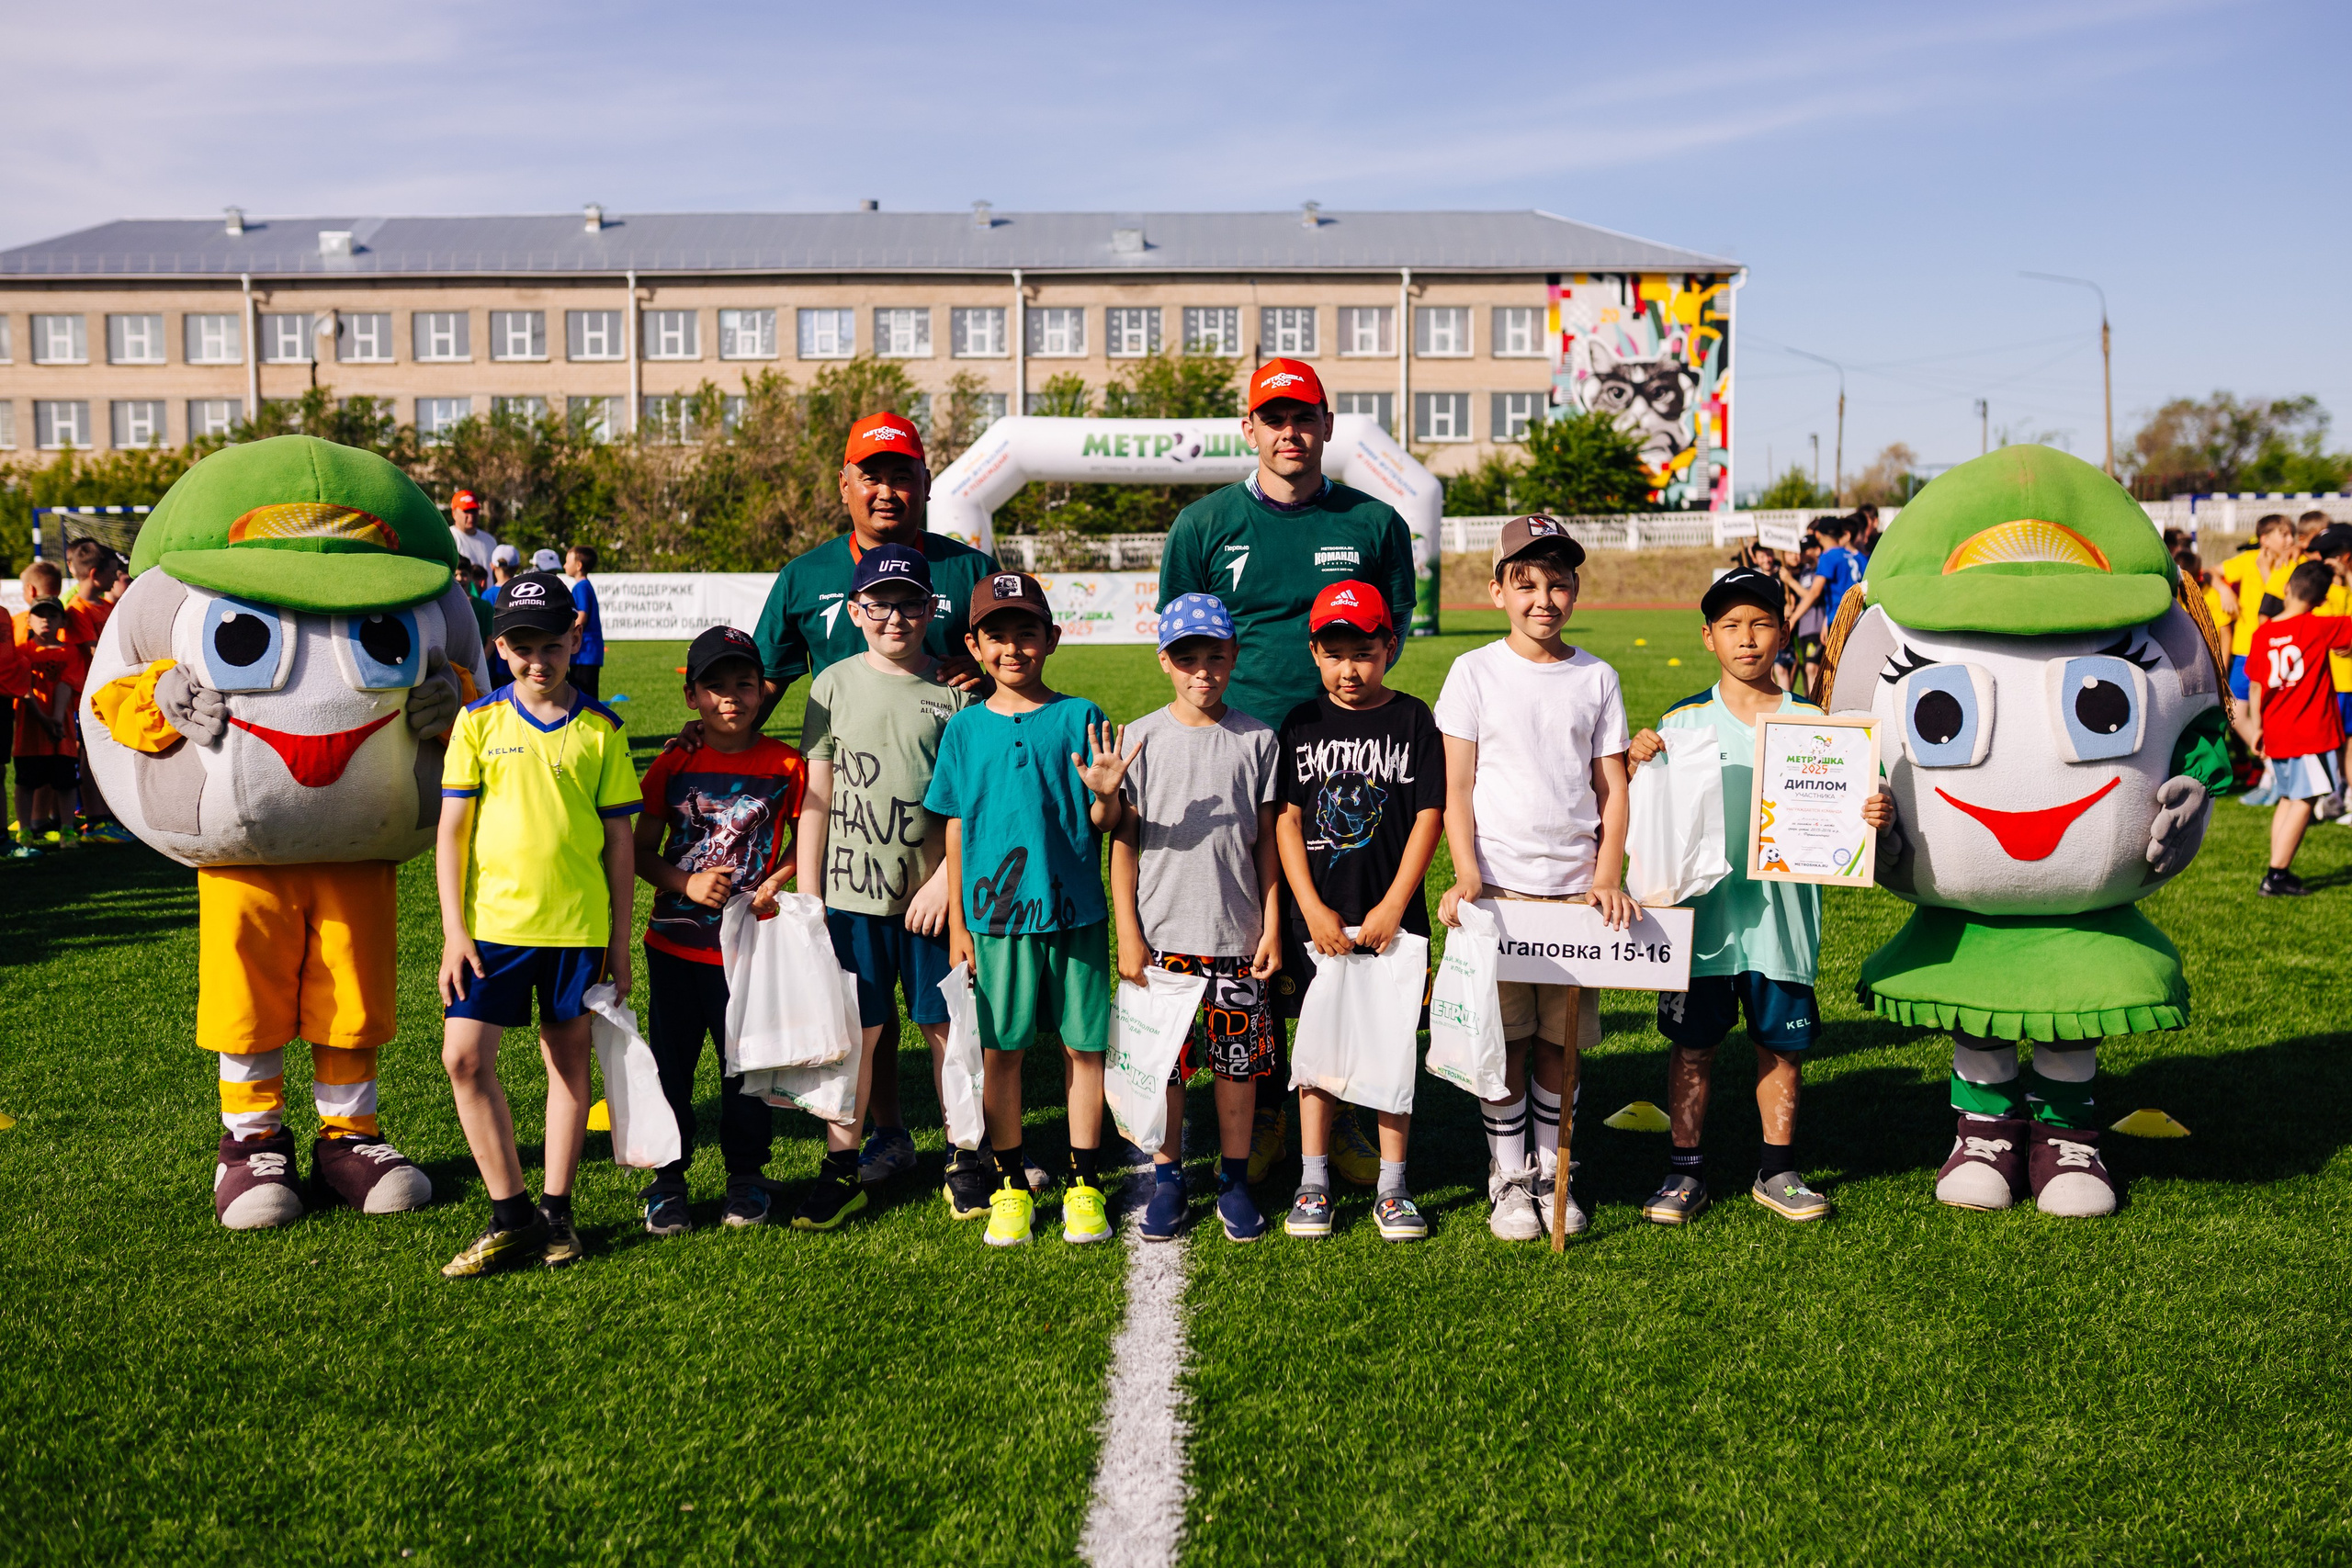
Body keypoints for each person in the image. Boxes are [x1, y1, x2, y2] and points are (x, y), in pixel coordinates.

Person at [1157, 358, 1418, 1183]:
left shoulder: (1376, 524)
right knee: (1253, 941)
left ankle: (1331, 1111)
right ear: (1250, 429)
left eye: (1303, 416)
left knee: (1333, 942)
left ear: (1328, 424)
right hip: (1231, 760)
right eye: (1273, 418)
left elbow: (1394, 629)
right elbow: (1179, 636)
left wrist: (1347, 719)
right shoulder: (1202, 526)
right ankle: (1267, 1107)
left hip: (1340, 764)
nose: (1289, 432)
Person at [729, 412, 1002, 1171]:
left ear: (925, 481)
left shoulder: (966, 570)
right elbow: (762, 689)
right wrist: (712, 744)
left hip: (943, 827)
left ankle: (968, 1138)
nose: (887, 490)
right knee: (861, 997)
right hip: (847, 828)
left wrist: (978, 676)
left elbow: (1012, 667)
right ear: (845, 484)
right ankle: (886, 1128)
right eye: (871, 475)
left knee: (946, 998)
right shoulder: (804, 576)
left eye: (902, 473)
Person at [1624, 567, 1894, 1224]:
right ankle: (1684, 1170)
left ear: (1783, 632)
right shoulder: (1680, 724)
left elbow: (1864, 814)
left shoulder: (1821, 727)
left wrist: (1874, 808)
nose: (1747, 638)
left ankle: (1777, 1169)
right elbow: (1645, 819)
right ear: (1708, 637)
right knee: (1692, 1046)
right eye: (1731, 625)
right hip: (1705, 925)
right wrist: (1637, 765)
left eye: (1761, 622)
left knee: (1782, 1047)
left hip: (1782, 923)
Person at [435, 570, 640, 1278]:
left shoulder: (601, 731)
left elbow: (620, 845)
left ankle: (555, 1211)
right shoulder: (478, 721)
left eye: (551, 645)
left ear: (574, 638)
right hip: (491, 928)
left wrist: (619, 939)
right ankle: (509, 1211)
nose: (537, 661)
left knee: (567, 1062)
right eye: (521, 648)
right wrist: (454, 931)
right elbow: (451, 834)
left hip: (576, 929)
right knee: (463, 1057)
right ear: (499, 647)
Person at [1434, 520, 1634, 1241]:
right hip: (1502, 897)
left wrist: (1606, 873)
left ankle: (1556, 1176)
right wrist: (1468, 873)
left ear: (1575, 590)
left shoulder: (1597, 677)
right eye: (1525, 584)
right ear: (1497, 592)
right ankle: (1509, 1178)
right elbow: (1458, 787)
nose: (1543, 598)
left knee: (1560, 1045)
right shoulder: (1473, 672)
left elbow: (1611, 788)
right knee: (1507, 1043)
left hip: (1576, 898)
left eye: (1557, 583)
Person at [923, 571, 1130, 1248]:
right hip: (994, 919)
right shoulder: (963, 730)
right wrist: (958, 923)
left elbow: (1106, 820)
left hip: (1076, 912)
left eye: (1026, 633)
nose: (1013, 648)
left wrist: (1105, 794)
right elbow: (955, 827)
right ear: (974, 645)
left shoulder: (1080, 715)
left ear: (1052, 638)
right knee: (1002, 1051)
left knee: (1083, 1048)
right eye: (997, 635)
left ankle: (1085, 1181)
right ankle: (1010, 1182)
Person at [792, 544, 978, 1211]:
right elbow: (817, 793)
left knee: (945, 1027)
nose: (894, 617)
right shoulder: (831, 684)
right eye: (879, 603)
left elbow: (964, 807)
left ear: (932, 609)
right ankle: (845, 1163)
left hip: (931, 903)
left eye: (909, 603)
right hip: (848, 900)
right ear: (854, 609)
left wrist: (944, 883)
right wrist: (809, 894)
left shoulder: (957, 692)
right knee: (858, 1034)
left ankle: (966, 1153)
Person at [1109, 592, 1283, 1243]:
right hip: (1161, 943)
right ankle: (1170, 1177)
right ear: (1164, 661)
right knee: (1168, 1070)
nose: (1202, 669)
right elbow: (1123, 845)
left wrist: (1269, 924)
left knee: (1237, 1068)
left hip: (1236, 937)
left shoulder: (1258, 738)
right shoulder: (1139, 739)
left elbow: (1265, 842)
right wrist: (1129, 934)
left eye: (1215, 654)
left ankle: (1233, 1179)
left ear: (1235, 656)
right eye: (1187, 657)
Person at [1273, 580, 1444, 1243]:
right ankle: (1313, 1180)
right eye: (1336, 652)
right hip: (1320, 922)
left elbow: (1431, 812)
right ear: (1315, 651)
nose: (1351, 668)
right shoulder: (1302, 722)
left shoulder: (1412, 719)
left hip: (1391, 922)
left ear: (1390, 647)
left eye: (1365, 652)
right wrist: (1310, 906)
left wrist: (1396, 903)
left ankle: (1393, 1186)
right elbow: (1287, 820)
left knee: (1391, 1051)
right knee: (1315, 1052)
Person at [633, 625, 813, 1234]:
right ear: (691, 696)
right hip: (676, 947)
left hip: (747, 950)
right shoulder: (673, 762)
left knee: (746, 1069)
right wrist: (684, 885)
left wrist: (779, 878)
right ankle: (667, 1180)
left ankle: (745, 1176)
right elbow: (639, 851)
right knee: (672, 1068)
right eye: (714, 686)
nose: (730, 697)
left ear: (764, 691)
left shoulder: (787, 765)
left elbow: (803, 842)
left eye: (744, 684)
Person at [2246, 561, 2352, 897]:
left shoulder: (2262, 634)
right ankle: (2276, 875)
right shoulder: (2318, 627)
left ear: (2287, 588)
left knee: (2289, 798)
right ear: (2321, 601)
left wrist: (2256, 728)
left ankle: (2277, 870)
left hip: (2276, 729)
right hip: (2308, 732)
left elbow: (2255, 687)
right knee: (2305, 800)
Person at [2217, 513, 2300, 762]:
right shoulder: (2248, 560)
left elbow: (2280, 604)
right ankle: (2273, 765)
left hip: (2279, 649)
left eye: (2291, 534)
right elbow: (2209, 572)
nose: (2289, 539)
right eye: (2283, 534)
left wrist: (2266, 573)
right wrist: (2223, 589)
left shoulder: (2296, 564)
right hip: (2246, 650)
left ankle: (2279, 766)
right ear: (2264, 539)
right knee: (2236, 713)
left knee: (2274, 713)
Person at [12, 598, 85, 851]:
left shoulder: (71, 652)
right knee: (26, 782)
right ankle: (25, 830)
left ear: (63, 621)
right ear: (28, 621)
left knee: (65, 783)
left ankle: (67, 830)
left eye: (52, 615)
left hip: (61, 732)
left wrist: (54, 720)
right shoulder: (22, 651)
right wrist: (45, 721)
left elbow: (67, 684)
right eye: (39, 615)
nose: (46, 620)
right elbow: (24, 690)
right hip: (30, 732)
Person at [2311, 525, 2352, 819]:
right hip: (2330, 681)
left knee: (2348, 742)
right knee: (2337, 743)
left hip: (2346, 681)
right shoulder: (2323, 592)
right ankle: (2341, 790)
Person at [1812, 515, 1866, 629]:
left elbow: (1815, 592)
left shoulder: (1828, 556)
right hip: (1860, 616)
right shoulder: (1857, 557)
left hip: (1840, 618)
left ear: (1817, 534)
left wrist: (1793, 619)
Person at [448, 490, 500, 573]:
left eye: (474, 510)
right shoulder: (450, 538)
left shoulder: (490, 540)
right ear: (454, 513)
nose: (471, 515)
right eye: (466, 511)